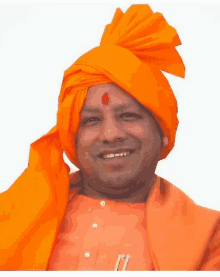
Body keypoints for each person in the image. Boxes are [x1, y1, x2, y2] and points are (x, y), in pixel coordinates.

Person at [0, 4, 220, 271]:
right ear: (73, 138)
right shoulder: (12, 217)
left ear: (162, 131)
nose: (111, 134)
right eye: (91, 120)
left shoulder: (208, 236)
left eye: (128, 116)